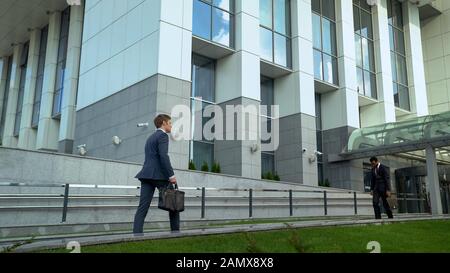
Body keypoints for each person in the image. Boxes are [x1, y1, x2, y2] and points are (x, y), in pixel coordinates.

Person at [133, 114, 180, 234]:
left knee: (142, 207)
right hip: (159, 176)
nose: (171, 125)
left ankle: (136, 235)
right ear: (163, 123)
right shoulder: (163, 136)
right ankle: (176, 233)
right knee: (173, 204)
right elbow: (163, 156)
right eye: (170, 123)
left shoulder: (151, 137)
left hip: (146, 175)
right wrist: (171, 175)